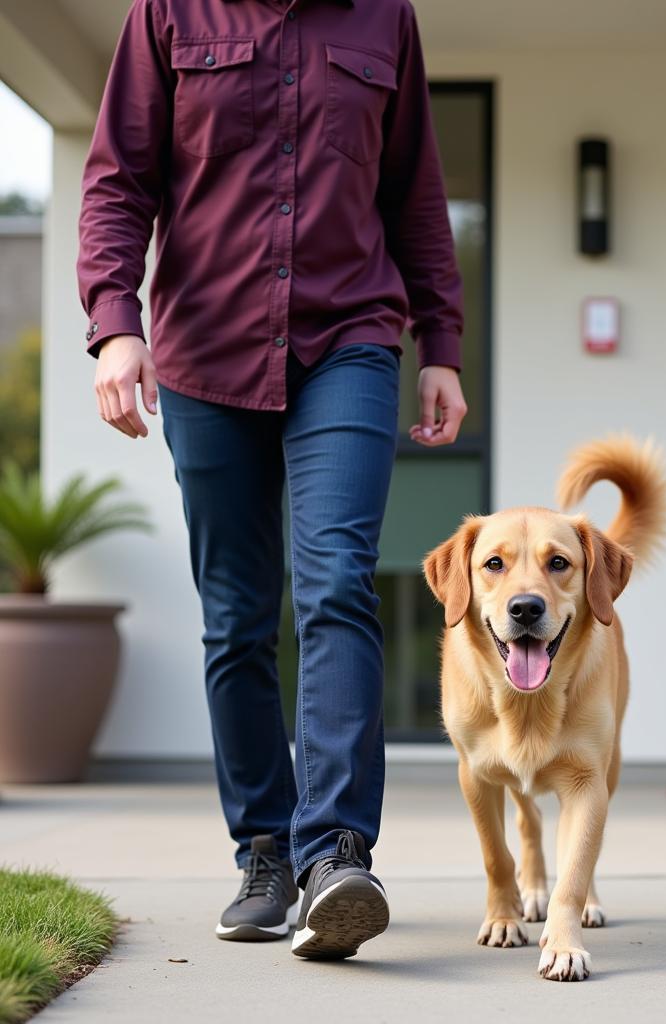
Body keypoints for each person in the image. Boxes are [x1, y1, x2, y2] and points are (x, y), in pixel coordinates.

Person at [77, 0, 466, 960]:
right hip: (206, 350)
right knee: (237, 614)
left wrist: (442, 344)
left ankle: (336, 853)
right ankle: (265, 851)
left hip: (350, 340)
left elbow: (414, 189)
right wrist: (115, 323)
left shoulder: (385, 17)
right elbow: (118, 181)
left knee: (335, 581)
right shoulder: (167, 13)